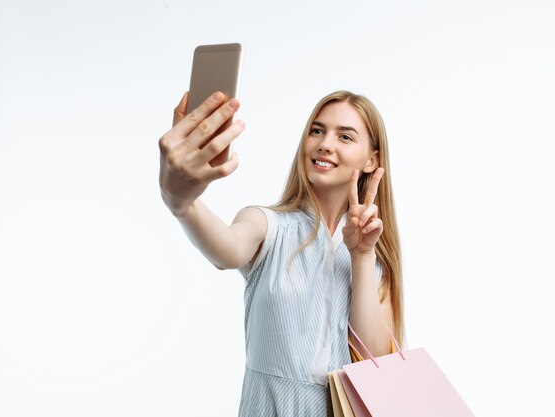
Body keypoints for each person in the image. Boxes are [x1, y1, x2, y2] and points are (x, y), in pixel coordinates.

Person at [158, 90, 404, 416]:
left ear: (371, 160)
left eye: (344, 136)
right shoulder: (266, 225)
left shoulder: (373, 257)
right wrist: (182, 203)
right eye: (317, 130)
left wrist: (361, 256)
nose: (325, 143)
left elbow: (374, 363)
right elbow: (227, 251)